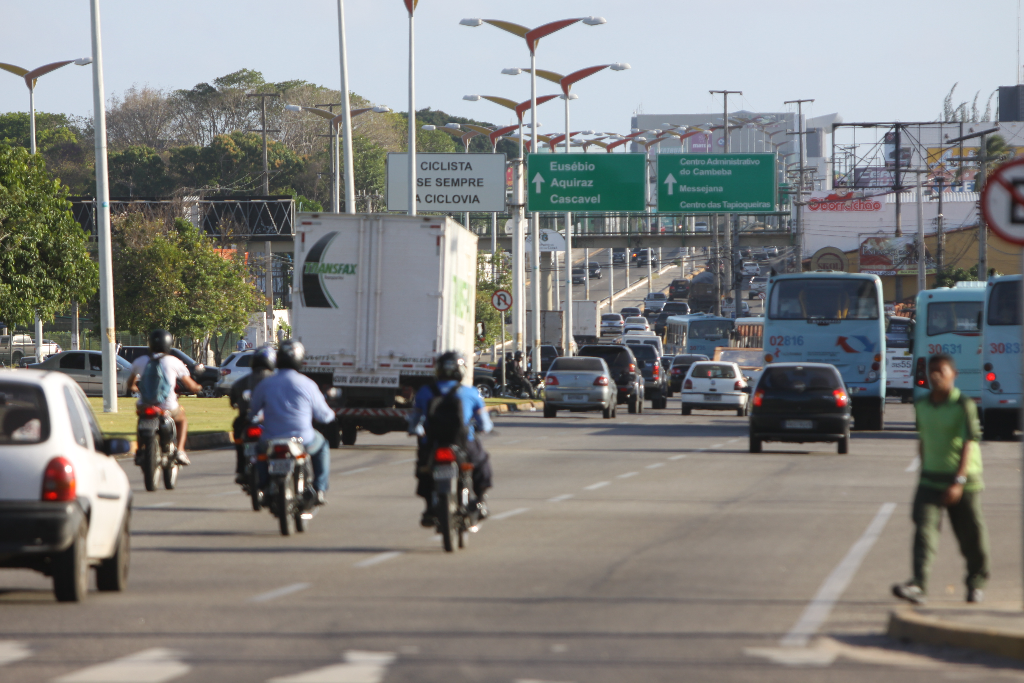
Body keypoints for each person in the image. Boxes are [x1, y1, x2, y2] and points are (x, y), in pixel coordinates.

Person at [893, 353, 990, 605]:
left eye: (942, 371)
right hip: (930, 479)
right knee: (924, 532)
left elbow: (969, 442)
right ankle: (918, 585)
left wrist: (958, 481)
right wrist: (923, 471)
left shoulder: (963, 405)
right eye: (932, 371)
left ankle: (976, 582)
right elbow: (924, 440)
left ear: (953, 375)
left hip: (963, 480)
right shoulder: (922, 405)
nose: (936, 376)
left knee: (971, 534)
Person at [408, 351, 493, 528]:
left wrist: (418, 431)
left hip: (432, 444)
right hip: (465, 444)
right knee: (482, 464)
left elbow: (414, 422)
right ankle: (480, 502)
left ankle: (429, 508)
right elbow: (485, 424)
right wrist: (483, 428)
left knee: (424, 470)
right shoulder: (470, 392)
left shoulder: (424, 392)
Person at [248, 339, 334, 504]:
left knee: (259, 451)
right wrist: (330, 417)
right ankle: (319, 488)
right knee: (322, 445)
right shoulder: (308, 384)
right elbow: (325, 416)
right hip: (304, 439)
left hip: (270, 438)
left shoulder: (265, 384)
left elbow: (253, 410)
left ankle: (263, 486)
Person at [127, 329, 202, 465]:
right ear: (168, 344)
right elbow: (190, 385)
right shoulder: (174, 361)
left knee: (141, 421)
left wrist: (136, 388)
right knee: (182, 419)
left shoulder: (141, 361)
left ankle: (140, 451)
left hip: (145, 404)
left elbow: (130, 384)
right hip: (167, 406)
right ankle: (180, 451)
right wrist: (198, 388)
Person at [229, 346, 276, 483]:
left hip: (247, 420)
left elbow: (233, 400)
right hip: (270, 420)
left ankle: (240, 469)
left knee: (238, 435)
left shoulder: (241, 382)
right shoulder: (277, 381)